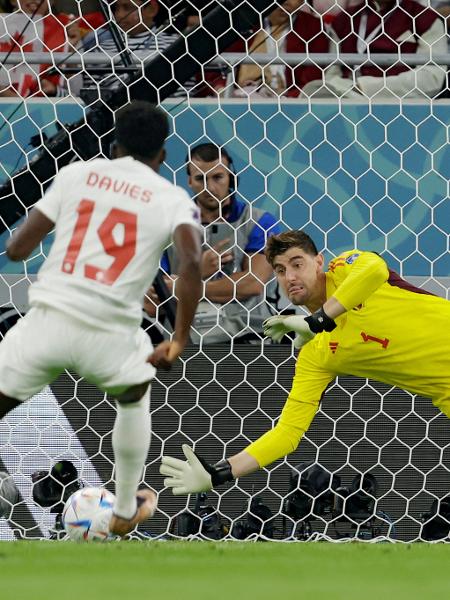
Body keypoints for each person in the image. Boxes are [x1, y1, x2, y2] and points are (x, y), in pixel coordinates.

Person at [1, 100, 202, 536]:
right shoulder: (173, 200)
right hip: (110, 332)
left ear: (113, 145)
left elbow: (17, 249)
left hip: (49, 320)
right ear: (163, 156)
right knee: (134, 396)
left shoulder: (76, 175)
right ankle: (126, 507)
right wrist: (180, 338)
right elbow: (190, 264)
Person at [160, 229, 450, 495]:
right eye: (281, 271)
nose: (290, 277)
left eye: (298, 264)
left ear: (319, 262)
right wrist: (219, 473)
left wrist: (317, 320)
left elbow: (374, 268)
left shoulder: (344, 270)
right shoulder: (316, 355)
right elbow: (287, 433)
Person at [145, 143, 281, 343]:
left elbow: (252, 284)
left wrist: (183, 286)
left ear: (231, 177)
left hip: (249, 336)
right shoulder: (168, 230)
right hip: (185, 341)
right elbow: (151, 303)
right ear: (190, 181)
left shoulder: (260, 222)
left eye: (217, 177)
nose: (210, 187)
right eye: (201, 178)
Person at [314, 0, 447, 99]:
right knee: (313, 90)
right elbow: (331, 74)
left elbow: (432, 78)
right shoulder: (344, 20)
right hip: (345, 101)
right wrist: (347, 89)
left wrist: (364, 87)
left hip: (401, 105)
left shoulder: (424, 18)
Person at [235, 0, 328, 98]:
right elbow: (221, 71)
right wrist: (222, 88)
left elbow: (313, 78)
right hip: (241, 97)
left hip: (291, 100)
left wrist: (286, 95)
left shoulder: (312, 25)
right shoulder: (244, 21)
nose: (285, 2)